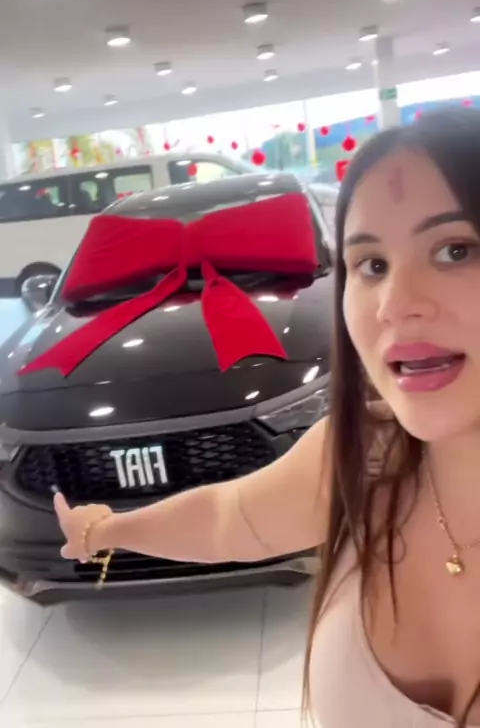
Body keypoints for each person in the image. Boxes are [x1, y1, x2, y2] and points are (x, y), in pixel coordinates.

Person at [54, 107, 480, 727]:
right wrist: (105, 530)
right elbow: (231, 518)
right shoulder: (366, 453)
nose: (395, 305)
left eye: (454, 250)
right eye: (372, 265)